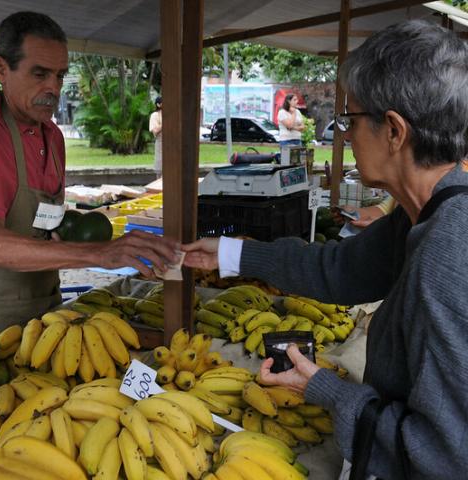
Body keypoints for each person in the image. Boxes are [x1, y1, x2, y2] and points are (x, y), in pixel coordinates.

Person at [183, 20, 468, 479]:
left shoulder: (450, 250)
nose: (344, 136)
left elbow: (444, 454)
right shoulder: (428, 213)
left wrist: (326, 390)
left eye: (349, 120)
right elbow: (341, 268)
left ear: (394, 131)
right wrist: (231, 255)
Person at [0, 12, 178, 336]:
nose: (53, 88)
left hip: (46, 309)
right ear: (1, 69)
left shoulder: (53, 137)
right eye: (40, 74)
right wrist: (99, 253)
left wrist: (75, 230)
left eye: (60, 75)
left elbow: (42, 220)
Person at [149, 96, 162, 178]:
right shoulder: (155, 115)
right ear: (158, 104)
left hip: (172, 143)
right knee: (160, 166)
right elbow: (155, 130)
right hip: (160, 142)